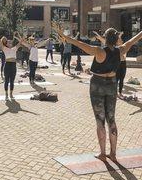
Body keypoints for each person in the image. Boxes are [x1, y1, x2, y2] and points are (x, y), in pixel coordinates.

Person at [54, 23, 142, 161]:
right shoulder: (121, 50)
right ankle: (113, 154)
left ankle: (103, 154)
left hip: (97, 85)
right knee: (111, 119)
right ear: (116, 38)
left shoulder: (99, 51)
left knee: (100, 120)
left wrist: (64, 36)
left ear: (105, 38)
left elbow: (78, 43)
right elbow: (133, 40)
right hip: (112, 84)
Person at [94, 31, 127, 99]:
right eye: (119, 40)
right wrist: (99, 37)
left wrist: (120, 35)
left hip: (123, 64)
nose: (121, 41)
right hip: (118, 63)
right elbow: (104, 41)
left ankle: (120, 92)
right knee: (116, 79)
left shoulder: (123, 48)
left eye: (121, 40)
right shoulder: (116, 48)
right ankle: (115, 93)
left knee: (122, 79)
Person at [0, 31, 22, 100]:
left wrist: (18, 35)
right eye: (8, 42)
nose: (9, 43)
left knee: (12, 81)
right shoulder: (5, 49)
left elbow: (21, 42)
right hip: (7, 65)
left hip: (13, 65)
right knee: (6, 80)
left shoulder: (14, 48)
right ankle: (6, 95)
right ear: (6, 43)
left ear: (12, 44)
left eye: (10, 42)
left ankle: (11, 94)